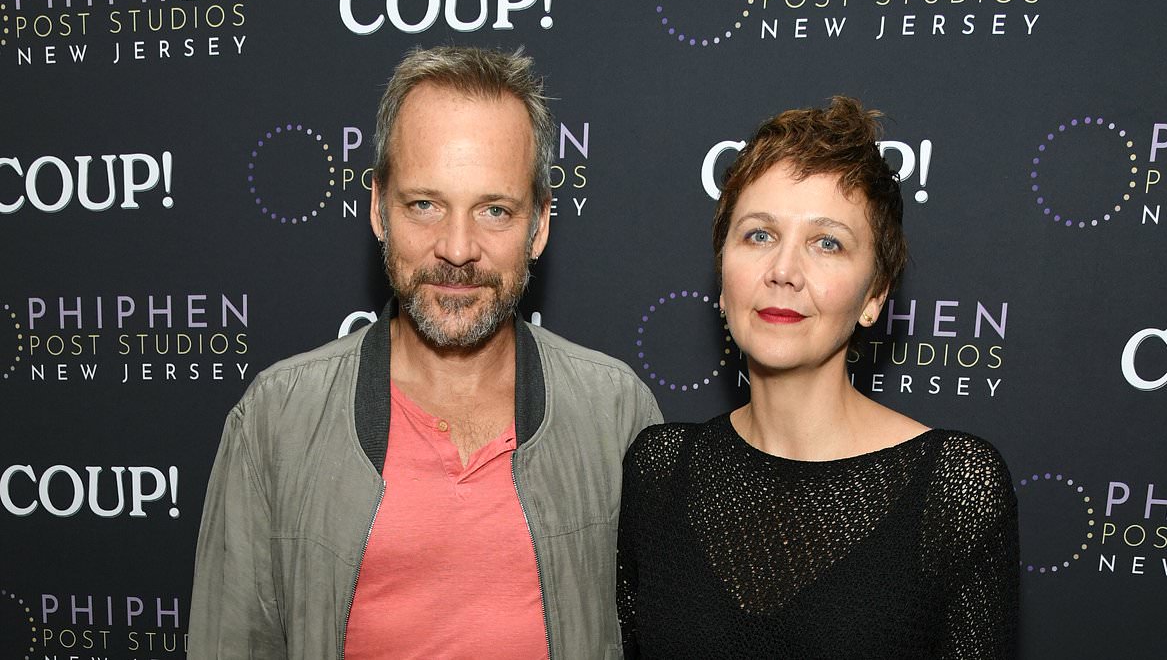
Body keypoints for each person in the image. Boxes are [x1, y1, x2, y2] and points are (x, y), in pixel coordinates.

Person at [188, 46, 662, 659]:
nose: (457, 248)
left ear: (540, 223)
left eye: (494, 210)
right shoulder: (277, 422)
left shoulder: (618, 417)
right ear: (378, 210)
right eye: (425, 205)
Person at [617, 97, 1019, 658]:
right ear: (722, 266)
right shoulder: (659, 470)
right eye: (759, 235)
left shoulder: (952, 487)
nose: (783, 272)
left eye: (827, 243)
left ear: (874, 295)